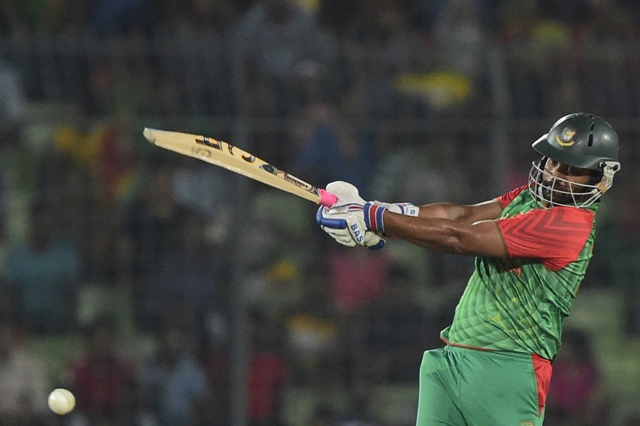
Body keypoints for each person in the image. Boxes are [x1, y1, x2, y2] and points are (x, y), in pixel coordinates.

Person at [316, 112, 621, 425]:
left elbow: (458, 237)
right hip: (452, 360)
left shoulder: (570, 225)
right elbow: (463, 215)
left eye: (571, 169)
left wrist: (373, 218)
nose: (554, 174)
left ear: (601, 178)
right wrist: (384, 211)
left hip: (506, 370)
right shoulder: (531, 197)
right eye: (553, 161)